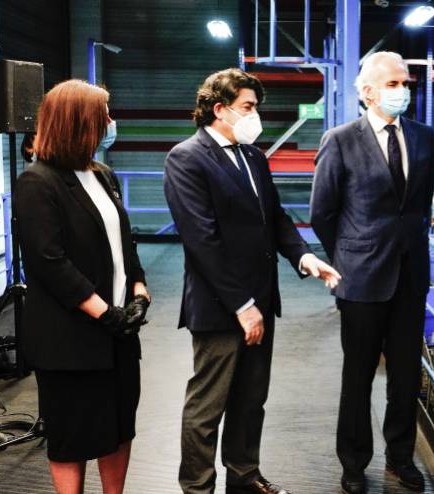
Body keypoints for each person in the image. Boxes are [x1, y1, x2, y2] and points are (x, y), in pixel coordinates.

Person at [164, 68, 340, 494]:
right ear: (219, 109)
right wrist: (242, 306)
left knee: (250, 400)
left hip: (261, 298)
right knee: (208, 406)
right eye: (247, 107)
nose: (254, 115)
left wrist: (304, 257)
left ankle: (244, 476)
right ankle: (198, 487)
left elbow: (274, 218)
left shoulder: (253, 157)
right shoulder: (187, 158)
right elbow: (203, 241)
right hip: (221, 306)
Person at [310, 51, 434, 494]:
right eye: (393, 84)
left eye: (405, 84)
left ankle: (401, 457)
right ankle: (353, 463)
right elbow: (322, 212)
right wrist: (348, 258)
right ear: (367, 91)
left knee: (405, 377)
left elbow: (419, 205)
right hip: (361, 278)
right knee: (358, 376)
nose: (402, 91)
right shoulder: (340, 140)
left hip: (410, 276)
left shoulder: (423, 138)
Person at [15, 79, 150, 494]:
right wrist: (105, 313)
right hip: (70, 340)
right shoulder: (38, 182)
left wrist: (139, 292)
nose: (111, 121)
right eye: (104, 115)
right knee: (70, 439)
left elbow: (123, 243)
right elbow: (50, 263)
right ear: (79, 122)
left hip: (117, 336)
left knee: (119, 429)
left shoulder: (102, 174)